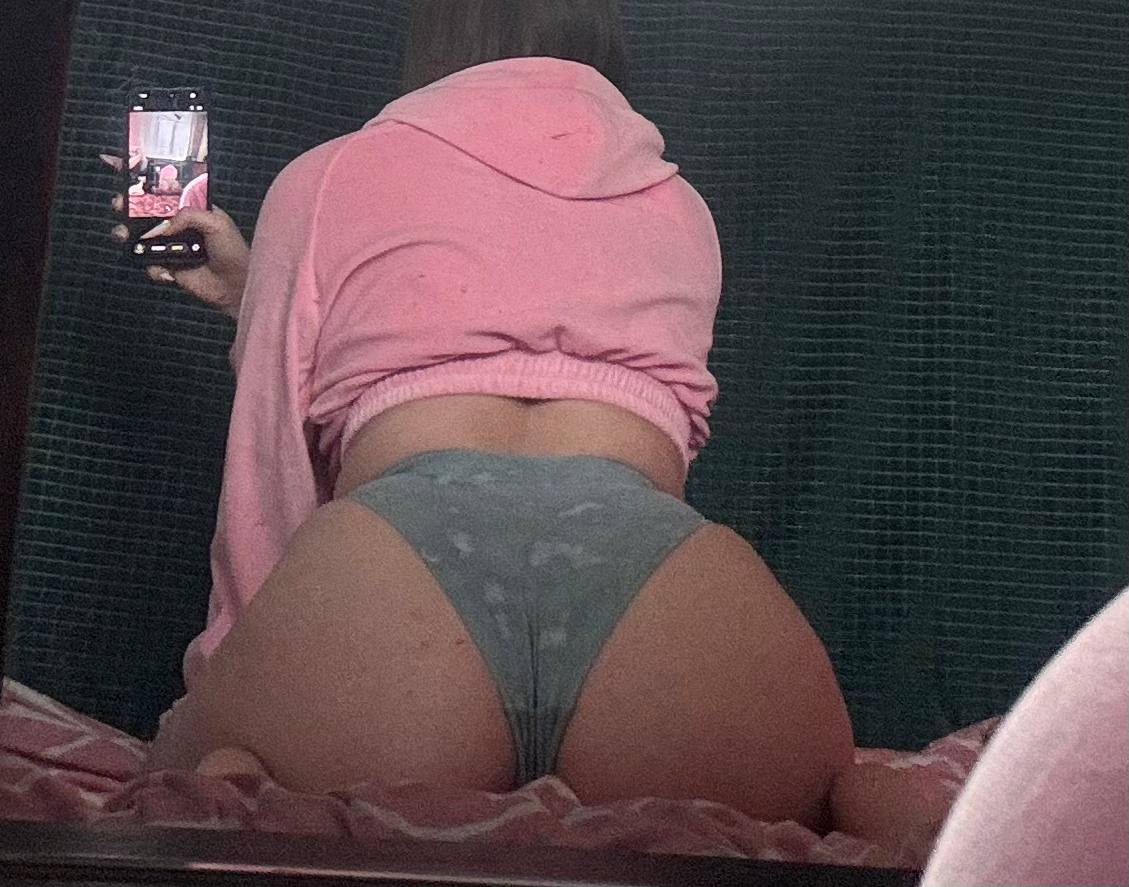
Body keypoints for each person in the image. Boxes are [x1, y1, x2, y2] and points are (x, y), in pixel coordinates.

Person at [105, 0, 855, 835]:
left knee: (203, 780)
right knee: (834, 807)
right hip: (650, 571)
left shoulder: (328, 179)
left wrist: (236, 674)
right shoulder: (683, 209)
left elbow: (269, 468)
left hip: (393, 570)